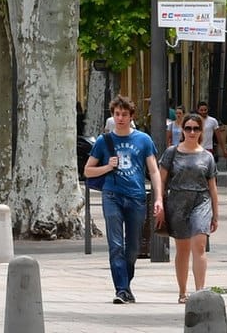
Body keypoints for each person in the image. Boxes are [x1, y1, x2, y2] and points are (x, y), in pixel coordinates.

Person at [85, 94, 164, 304]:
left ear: (131, 116)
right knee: (116, 244)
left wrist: (158, 198)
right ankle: (121, 289)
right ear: (113, 116)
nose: (120, 118)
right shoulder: (104, 141)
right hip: (112, 195)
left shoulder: (143, 140)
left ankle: (125, 285)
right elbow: (88, 171)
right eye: (117, 114)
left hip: (136, 197)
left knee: (133, 247)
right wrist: (107, 166)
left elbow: (154, 171)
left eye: (124, 114)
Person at [160, 112, 219, 303]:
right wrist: (159, 203)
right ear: (182, 130)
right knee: (183, 249)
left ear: (201, 131)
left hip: (201, 201)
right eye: (188, 128)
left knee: (199, 245)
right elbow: (161, 181)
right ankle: (183, 292)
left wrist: (215, 214)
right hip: (177, 202)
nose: (192, 132)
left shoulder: (207, 157)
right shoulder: (171, 152)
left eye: (196, 128)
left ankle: (200, 292)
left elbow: (213, 187)